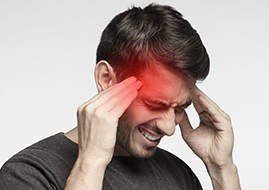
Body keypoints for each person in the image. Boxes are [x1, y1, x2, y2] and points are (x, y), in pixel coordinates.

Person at [0, 3, 241, 190]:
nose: (169, 128)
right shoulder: (28, 174)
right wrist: (91, 162)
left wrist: (222, 168)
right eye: (154, 103)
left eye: (180, 107)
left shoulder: (178, 174)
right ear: (107, 79)